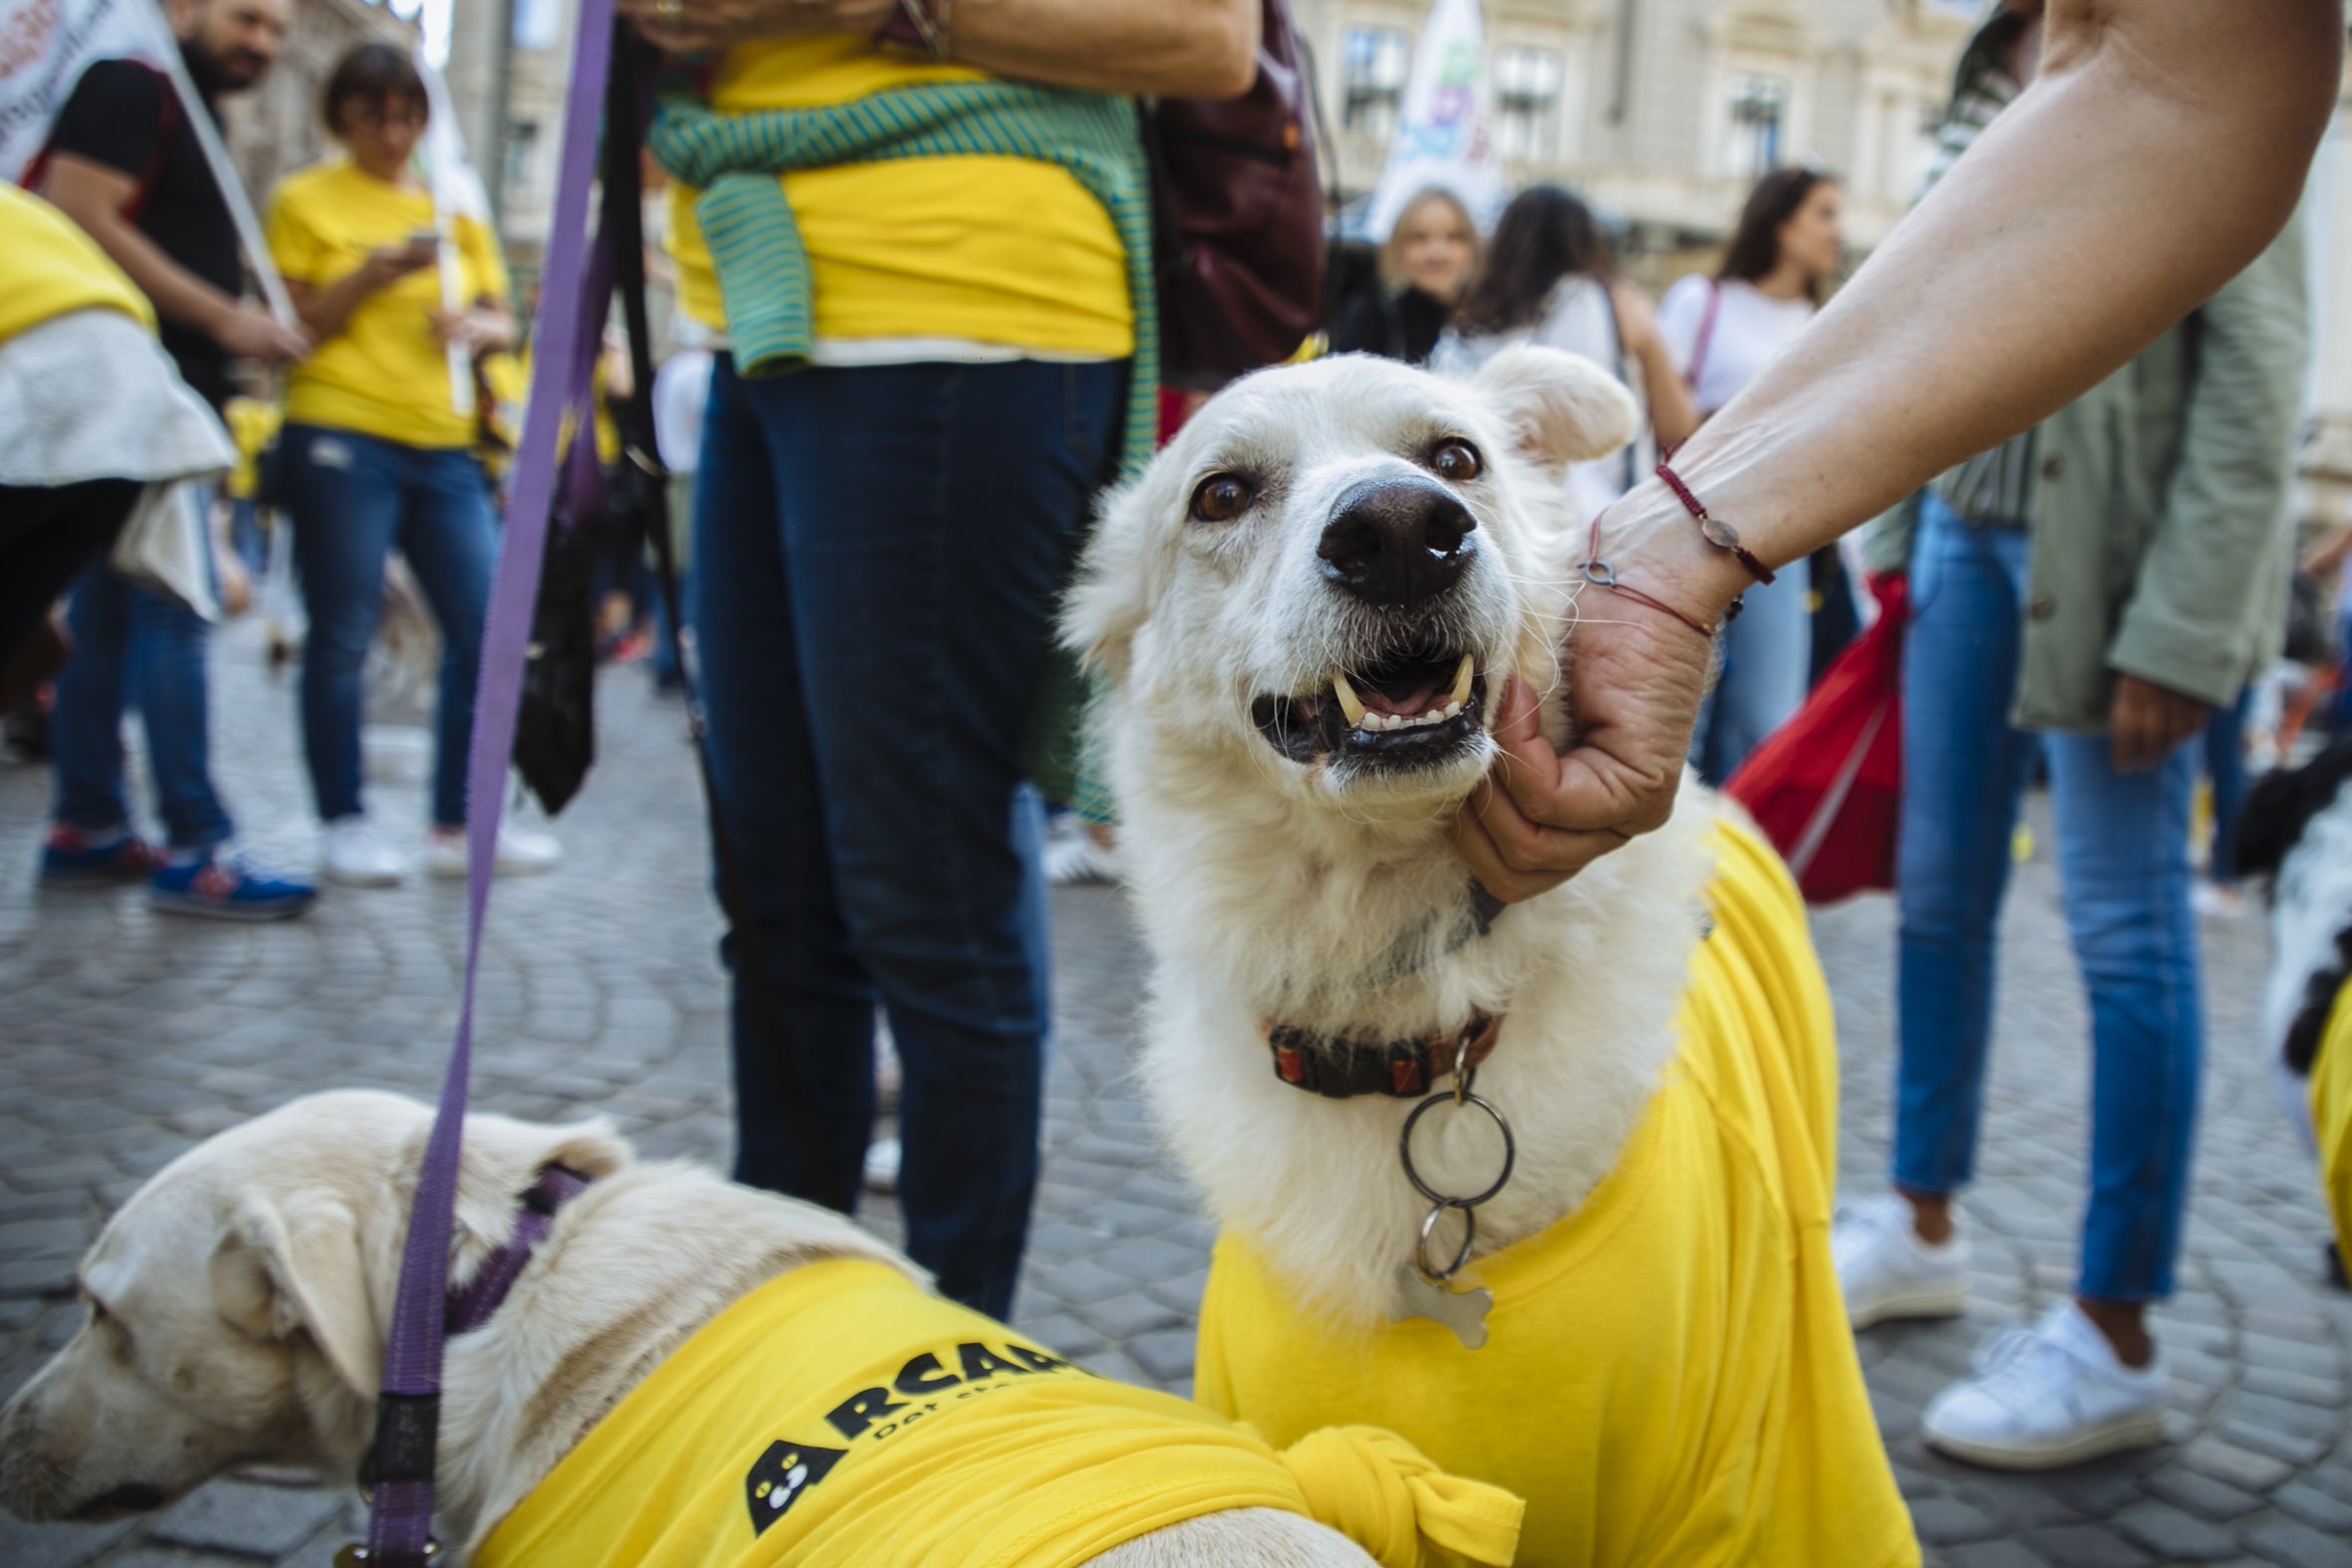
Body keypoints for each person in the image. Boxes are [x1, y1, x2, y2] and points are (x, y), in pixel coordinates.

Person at [620, 0, 1256, 1317]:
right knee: (775, 887)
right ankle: (777, 1335)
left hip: (960, 309)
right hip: (754, 294)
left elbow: (1204, 37)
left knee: (921, 883)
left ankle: (946, 1358)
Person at [1451, 0, 2338, 902]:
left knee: (2118, 904)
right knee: (1933, 886)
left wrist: (2185, 622)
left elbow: (2183, 100)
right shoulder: (1993, 55)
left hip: (2107, 558)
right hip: (1956, 537)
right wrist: (1853, 544)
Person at [32, 0, 315, 919]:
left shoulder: (188, 102)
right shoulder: (131, 84)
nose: (263, 44)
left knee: (114, 610)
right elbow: (79, 210)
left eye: (276, 29)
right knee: (178, 605)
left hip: (151, 390)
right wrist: (223, 315)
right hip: (147, 387)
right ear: (183, 8)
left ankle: (89, 820)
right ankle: (198, 840)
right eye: (246, 19)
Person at [265, 44, 559, 887]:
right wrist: (371, 274)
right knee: (345, 629)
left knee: (487, 627)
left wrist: (477, 330)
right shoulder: (303, 200)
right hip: (341, 430)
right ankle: (343, 818)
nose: (393, 132)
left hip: (445, 440)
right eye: (373, 113)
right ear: (341, 114)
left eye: (407, 114)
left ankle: (460, 823)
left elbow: (505, 322)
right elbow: (290, 331)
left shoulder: (453, 207)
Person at [1660, 165, 1844, 781]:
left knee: (1770, 716)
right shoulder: (1701, 299)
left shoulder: (1829, 320)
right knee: (1682, 712)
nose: (1836, 231)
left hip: (1782, 535)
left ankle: (1742, 860)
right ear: (1781, 219)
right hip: (1694, 525)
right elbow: (1657, 408)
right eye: (1824, 213)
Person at [1432, 185, 1698, 523]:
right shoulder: (1621, 305)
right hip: (1604, 520)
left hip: (1498, 521)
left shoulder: (1469, 319)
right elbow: (1678, 425)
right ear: (1588, 240)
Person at [1330, 185, 1478, 366]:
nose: (1437, 253)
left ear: (1473, 248)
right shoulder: (1373, 318)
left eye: (1453, 237)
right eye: (1420, 238)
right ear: (1398, 247)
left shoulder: (1489, 320)